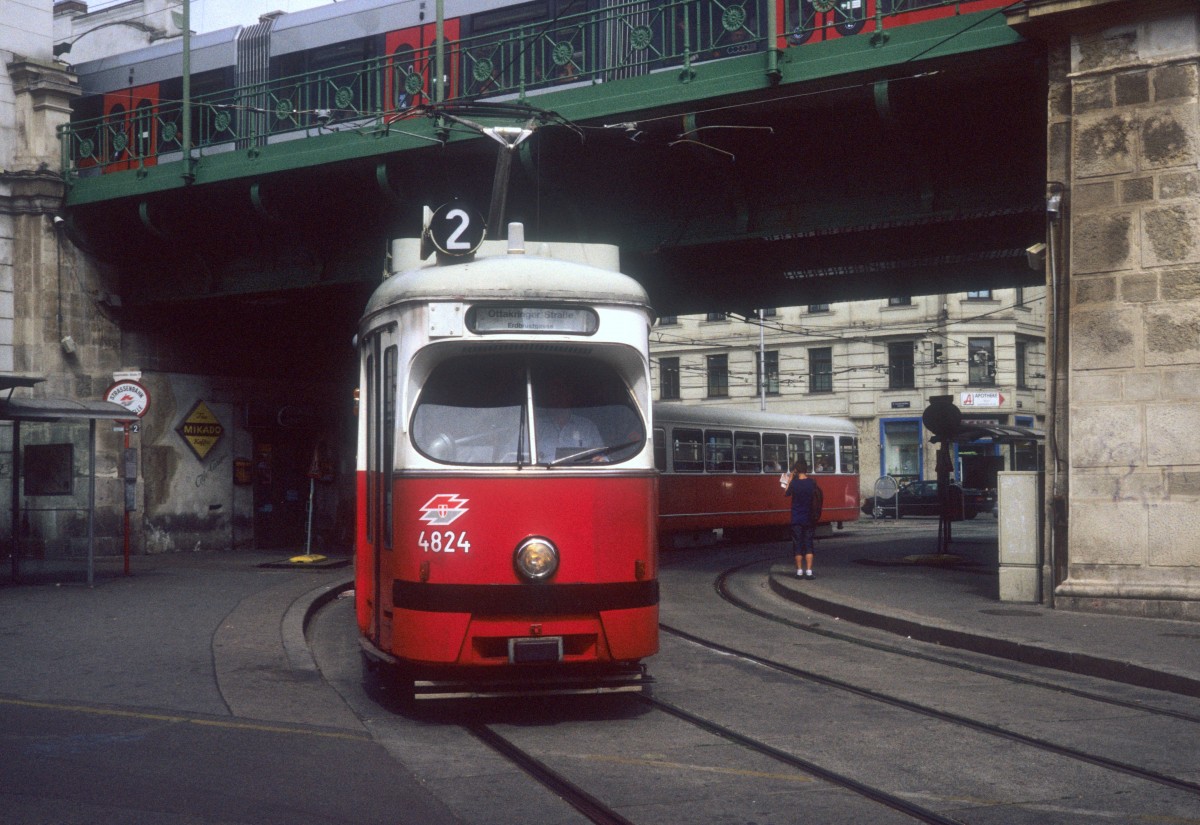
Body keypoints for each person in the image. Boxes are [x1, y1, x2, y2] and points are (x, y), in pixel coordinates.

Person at [535, 383, 603, 462]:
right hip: (544, 473)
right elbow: (521, 458)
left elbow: (602, 456)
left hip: (580, 473)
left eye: (562, 394)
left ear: (570, 398)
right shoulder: (535, 426)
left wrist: (600, 459)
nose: (558, 399)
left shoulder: (587, 427)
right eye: (554, 395)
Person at [785, 459, 823, 579]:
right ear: (806, 469)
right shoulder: (812, 482)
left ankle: (799, 572)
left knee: (797, 545)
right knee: (808, 544)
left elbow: (786, 493)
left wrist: (790, 479)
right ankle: (809, 572)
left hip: (796, 518)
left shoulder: (794, 483)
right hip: (809, 518)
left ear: (796, 470)